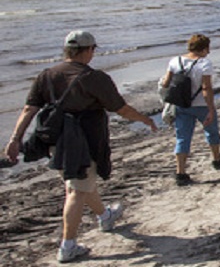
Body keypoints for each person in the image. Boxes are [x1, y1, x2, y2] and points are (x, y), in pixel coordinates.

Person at [3, 30, 157, 263]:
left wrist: (15, 139)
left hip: (56, 141)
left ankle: (105, 216)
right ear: (88, 50)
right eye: (93, 49)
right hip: (86, 141)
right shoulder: (95, 78)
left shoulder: (46, 75)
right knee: (76, 191)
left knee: (80, 183)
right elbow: (121, 109)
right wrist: (145, 119)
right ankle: (68, 246)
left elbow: (29, 109)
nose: (94, 53)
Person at [162, 34, 220, 187]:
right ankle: (216, 158)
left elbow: (166, 83)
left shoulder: (175, 61)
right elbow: (206, 88)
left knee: (182, 137)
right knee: (211, 131)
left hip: (181, 105)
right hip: (201, 104)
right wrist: (211, 108)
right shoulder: (204, 64)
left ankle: (180, 172)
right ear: (204, 48)